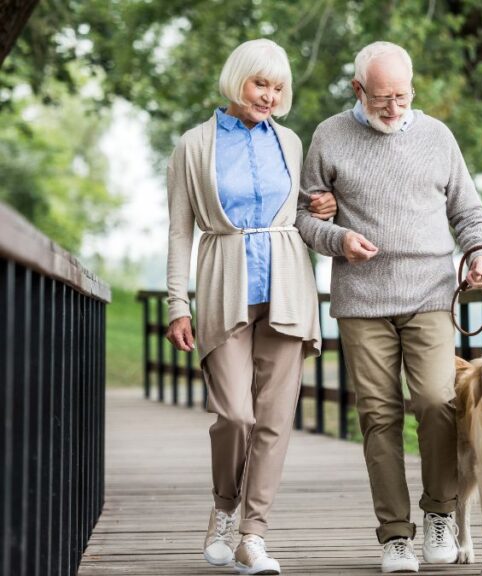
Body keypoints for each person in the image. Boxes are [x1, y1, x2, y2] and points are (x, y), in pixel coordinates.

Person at [295, 41, 482, 574]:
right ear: (359, 90)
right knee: (378, 414)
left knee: (436, 401)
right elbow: (302, 216)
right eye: (382, 98)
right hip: (362, 298)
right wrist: (338, 239)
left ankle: (440, 513)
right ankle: (394, 535)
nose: (393, 108)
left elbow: (468, 211)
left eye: (402, 97)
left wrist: (479, 253)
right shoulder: (330, 136)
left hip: (429, 291)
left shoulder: (437, 136)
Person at [164, 38, 336, 575]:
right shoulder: (195, 146)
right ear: (238, 79)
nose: (269, 95)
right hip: (224, 287)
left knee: (275, 420)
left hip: (287, 284)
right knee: (236, 414)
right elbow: (179, 231)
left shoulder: (290, 140)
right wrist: (177, 302)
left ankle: (252, 535)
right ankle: (222, 509)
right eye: (261, 83)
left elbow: (296, 206)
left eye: (278, 87)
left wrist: (320, 205)